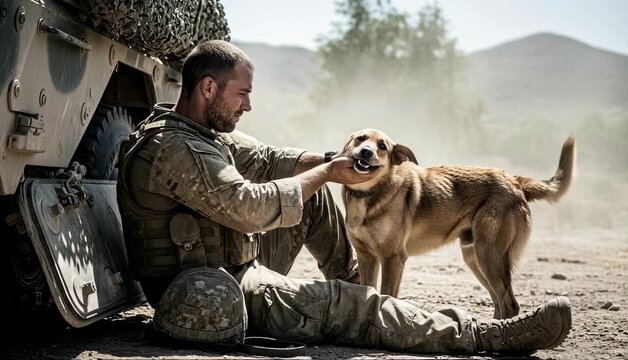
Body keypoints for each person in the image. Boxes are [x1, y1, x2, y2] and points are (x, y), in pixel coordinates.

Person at [116, 39, 572, 355]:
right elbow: (250, 209)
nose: (248, 106)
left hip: (235, 263)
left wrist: (340, 162)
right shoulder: (174, 149)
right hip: (213, 292)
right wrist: (330, 171)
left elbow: (273, 158)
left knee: (312, 194)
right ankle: (480, 335)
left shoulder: (203, 133)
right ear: (209, 88)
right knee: (342, 303)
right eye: (242, 95)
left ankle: (351, 281)